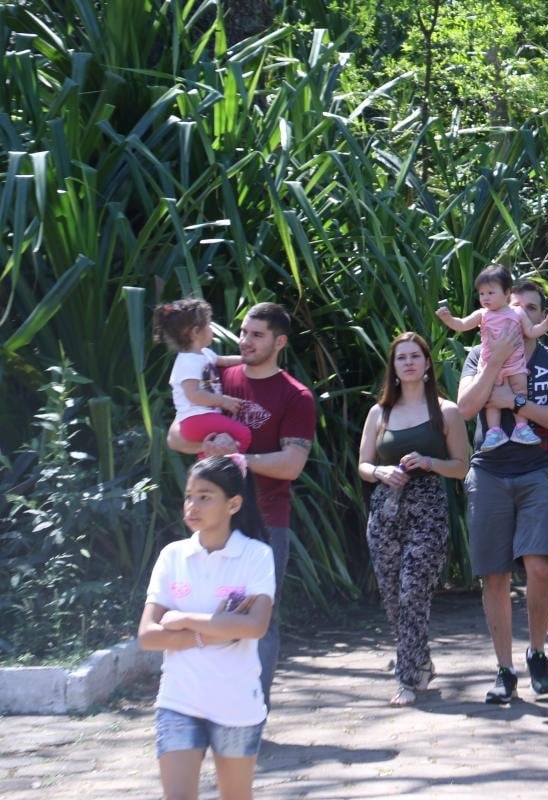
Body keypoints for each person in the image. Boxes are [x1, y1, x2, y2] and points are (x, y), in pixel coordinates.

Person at [167, 302, 316, 706]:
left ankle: (251, 714)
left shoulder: (296, 396)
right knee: (206, 615)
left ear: (279, 341)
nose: (245, 341)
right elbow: (175, 437)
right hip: (213, 524)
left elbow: (291, 466)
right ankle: (207, 710)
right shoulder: (217, 375)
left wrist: (238, 459)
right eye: (244, 332)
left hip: (269, 523)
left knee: (258, 621)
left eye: (256, 335)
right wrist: (207, 445)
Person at [456, 279, 548, 704]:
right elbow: (466, 408)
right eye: (517, 305)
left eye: (532, 307)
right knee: (495, 574)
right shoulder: (478, 354)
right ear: (504, 310)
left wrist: (516, 405)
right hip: (488, 472)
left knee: (540, 567)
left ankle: (537, 651)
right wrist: (498, 360)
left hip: (536, 470)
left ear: (539, 315)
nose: (523, 313)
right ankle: (504, 669)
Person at [138, 455, 275, 800]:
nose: (192, 505)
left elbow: (256, 626)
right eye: (189, 495)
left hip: (237, 704)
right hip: (178, 700)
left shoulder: (256, 555)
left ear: (234, 503)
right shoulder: (172, 555)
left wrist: (184, 621)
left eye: (205, 496)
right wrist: (217, 632)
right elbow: (148, 635)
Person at [356, 333, 470, 707]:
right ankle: (421, 661)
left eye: (414, 356)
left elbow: (462, 466)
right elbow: (363, 465)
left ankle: (405, 680)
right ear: (393, 366)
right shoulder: (379, 413)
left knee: (412, 592)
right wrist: (381, 473)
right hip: (385, 510)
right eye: (400, 357)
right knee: (393, 598)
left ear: (426, 365)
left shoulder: (446, 411)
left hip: (428, 509)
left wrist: (430, 462)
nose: (407, 362)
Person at [436, 265, 548, 451]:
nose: (485, 298)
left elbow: (532, 332)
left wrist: (547, 323)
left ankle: (521, 427)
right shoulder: (482, 315)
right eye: (482, 293)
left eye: (491, 293)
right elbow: (461, 325)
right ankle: (494, 432)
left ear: (506, 293)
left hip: (515, 364)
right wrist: (448, 320)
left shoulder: (517, 314)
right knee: (491, 400)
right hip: (489, 364)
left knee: (520, 392)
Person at [154, 299, 251, 455]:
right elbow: (193, 395)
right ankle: (235, 466)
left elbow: (224, 360)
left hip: (202, 418)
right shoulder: (187, 361)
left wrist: (247, 360)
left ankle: (210, 469)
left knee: (211, 447)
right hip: (196, 418)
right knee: (242, 435)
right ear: (195, 332)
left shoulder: (203, 353)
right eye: (208, 325)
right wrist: (223, 401)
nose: (211, 329)